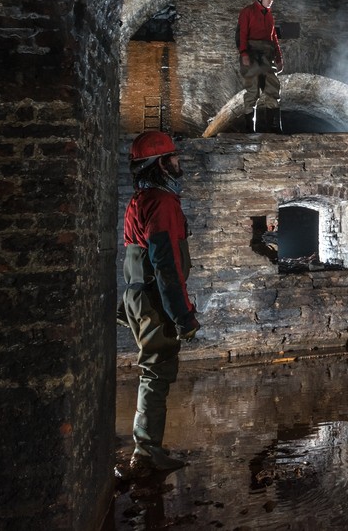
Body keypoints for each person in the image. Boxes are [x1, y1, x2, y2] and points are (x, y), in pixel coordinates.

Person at [118, 130, 200, 477]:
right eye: (174, 157)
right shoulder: (163, 204)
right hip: (155, 299)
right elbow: (166, 264)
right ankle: (147, 453)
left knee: (154, 369)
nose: (179, 162)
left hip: (139, 296)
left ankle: (147, 448)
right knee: (157, 371)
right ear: (161, 164)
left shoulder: (141, 201)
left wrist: (127, 307)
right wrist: (183, 316)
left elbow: (133, 260)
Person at [238, 0, 285, 134]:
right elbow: (242, 33)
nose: (271, 1)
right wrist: (244, 52)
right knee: (252, 90)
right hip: (251, 52)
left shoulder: (270, 16)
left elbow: (273, 38)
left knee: (273, 87)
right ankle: (249, 128)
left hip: (267, 54)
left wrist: (279, 57)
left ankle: (274, 127)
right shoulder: (247, 12)